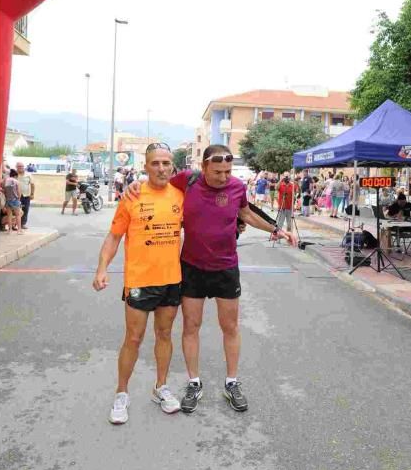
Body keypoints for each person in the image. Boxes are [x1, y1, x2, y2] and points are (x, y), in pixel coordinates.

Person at [125, 144, 297, 414]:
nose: (223, 177)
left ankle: (232, 383)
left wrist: (277, 229)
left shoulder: (238, 187)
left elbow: (247, 213)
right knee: (191, 327)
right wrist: (134, 184)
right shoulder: (188, 180)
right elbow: (157, 180)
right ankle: (194, 383)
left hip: (226, 268)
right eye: (217, 172)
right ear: (203, 167)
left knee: (230, 327)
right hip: (192, 268)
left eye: (227, 171)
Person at [93, 144, 184, 422]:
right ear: (145, 166)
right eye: (155, 163)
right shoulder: (132, 196)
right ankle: (122, 393)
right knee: (133, 338)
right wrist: (101, 268)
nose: (161, 168)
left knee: (165, 335)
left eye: (166, 163)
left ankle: (161, 387)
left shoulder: (181, 195)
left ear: (172, 166)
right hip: (140, 280)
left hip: (171, 279)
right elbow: (114, 237)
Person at [3, 168, 23, 234]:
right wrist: (19, 199)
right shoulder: (17, 182)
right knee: (18, 215)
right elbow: (19, 192)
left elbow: (4, 190)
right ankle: (19, 230)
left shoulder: (5, 181)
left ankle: (10, 230)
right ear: (15, 175)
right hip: (15, 200)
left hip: (8, 200)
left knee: (9, 215)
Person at [16, 161, 35, 229]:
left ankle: (23, 224)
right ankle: (15, 225)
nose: (20, 168)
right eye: (19, 167)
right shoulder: (14, 175)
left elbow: (32, 185)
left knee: (25, 210)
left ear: (24, 167)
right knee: (17, 210)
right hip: (16, 196)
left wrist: (32, 194)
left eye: (21, 166)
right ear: (16, 168)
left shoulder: (28, 175)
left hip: (26, 195)